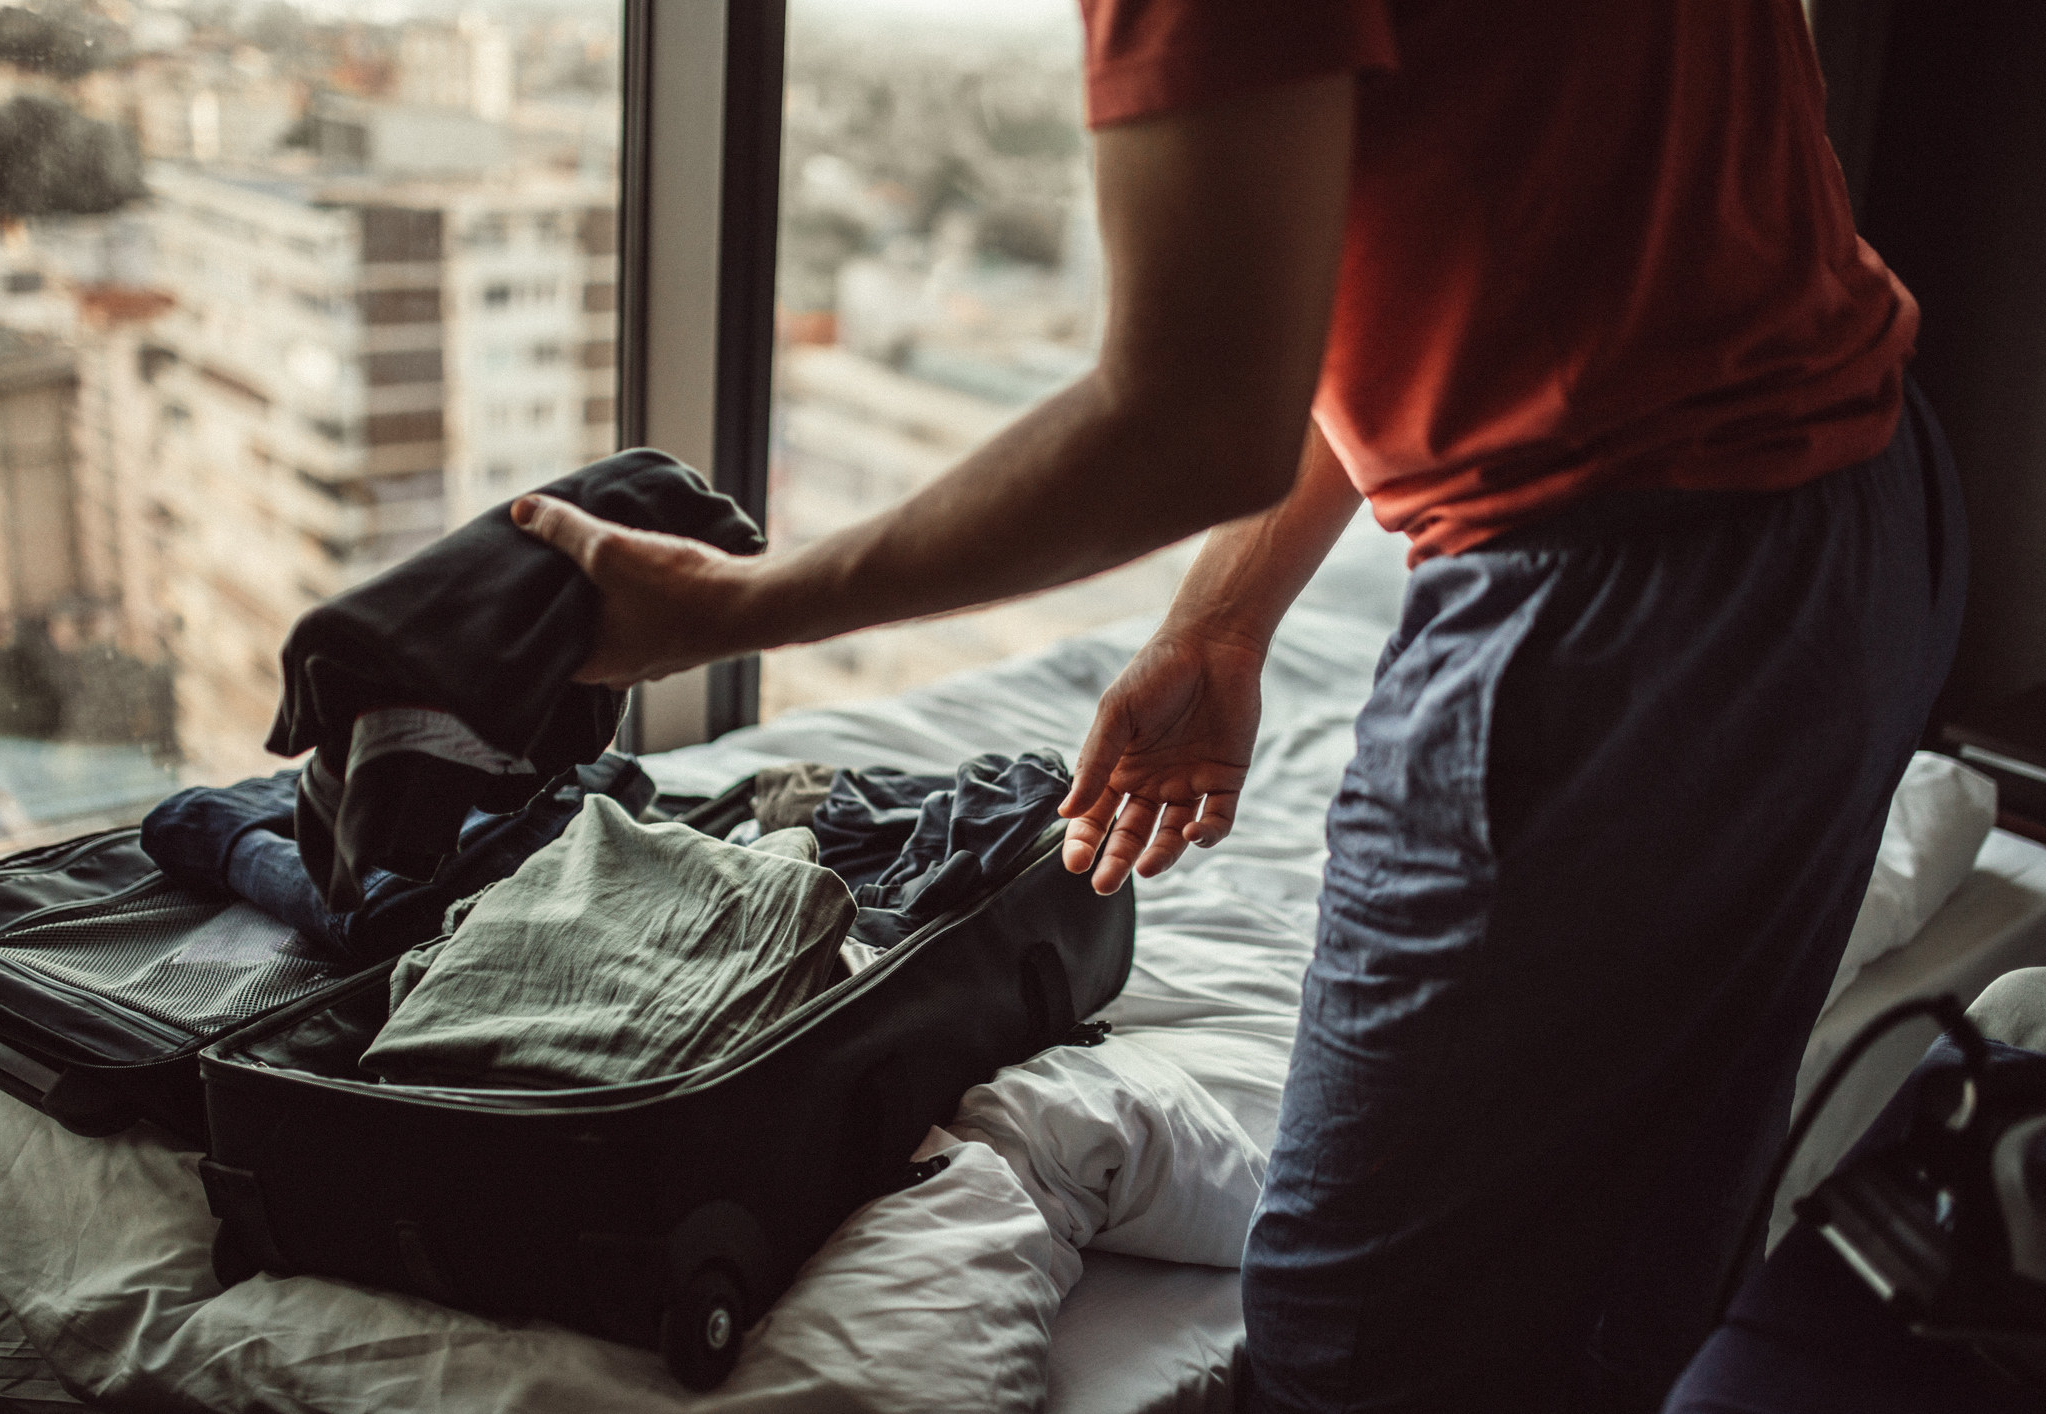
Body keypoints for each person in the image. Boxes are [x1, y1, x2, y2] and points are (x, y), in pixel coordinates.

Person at [510, 2, 1965, 1409]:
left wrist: (728, 609)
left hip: (1620, 618)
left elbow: (1187, 416)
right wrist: (1222, 616)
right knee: (1636, 1264)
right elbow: (1425, 204)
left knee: (1358, 1351)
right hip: (1855, 502)